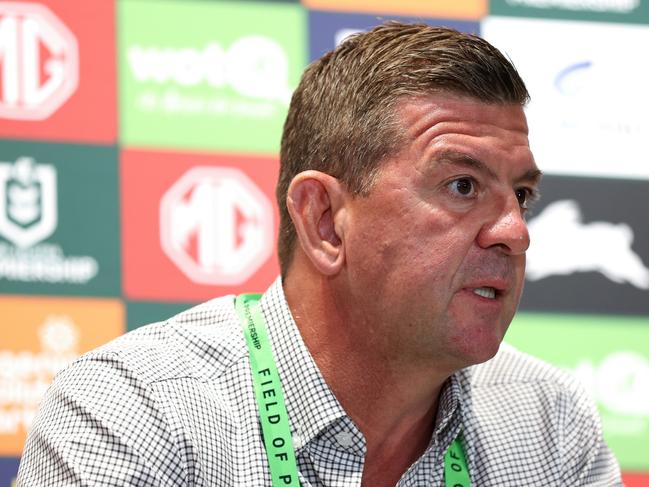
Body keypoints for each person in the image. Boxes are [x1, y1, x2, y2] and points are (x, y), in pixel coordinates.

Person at [18, 22, 622, 486]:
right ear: (325, 221)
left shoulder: (549, 423)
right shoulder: (136, 414)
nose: (514, 231)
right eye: (462, 185)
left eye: (520, 194)